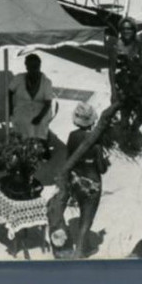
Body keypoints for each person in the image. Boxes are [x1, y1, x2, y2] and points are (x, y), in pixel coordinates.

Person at [58, 102, 110, 259]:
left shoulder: (72, 136)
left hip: (76, 181)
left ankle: (83, 245)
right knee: (87, 218)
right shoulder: (96, 139)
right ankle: (81, 251)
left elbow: (69, 159)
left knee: (82, 211)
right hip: (92, 183)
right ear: (92, 120)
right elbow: (101, 168)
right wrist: (105, 160)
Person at [9, 53, 56, 147]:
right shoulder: (19, 78)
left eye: (36, 67)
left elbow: (48, 103)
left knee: (40, 123)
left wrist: (39, 117)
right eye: (31, 67)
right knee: (21, 120)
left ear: (39, 66)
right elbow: (9, 92)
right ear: (27, 67)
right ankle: (23, 143)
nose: (34, 69)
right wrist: (10, 108)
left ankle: (42, 142)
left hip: (41, 109)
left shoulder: (46, 82)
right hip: (22, 107)